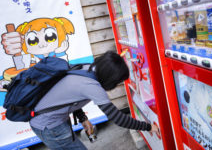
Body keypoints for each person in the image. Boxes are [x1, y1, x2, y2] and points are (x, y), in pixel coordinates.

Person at [29, 51, 160, 150]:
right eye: (118, 82)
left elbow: (69, 95)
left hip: (49, 119)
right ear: (111, 79)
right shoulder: (92, 86)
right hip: (49, 126)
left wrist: (83, 118)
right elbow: (119, 119)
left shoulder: (86, 68)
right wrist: (148, 127)